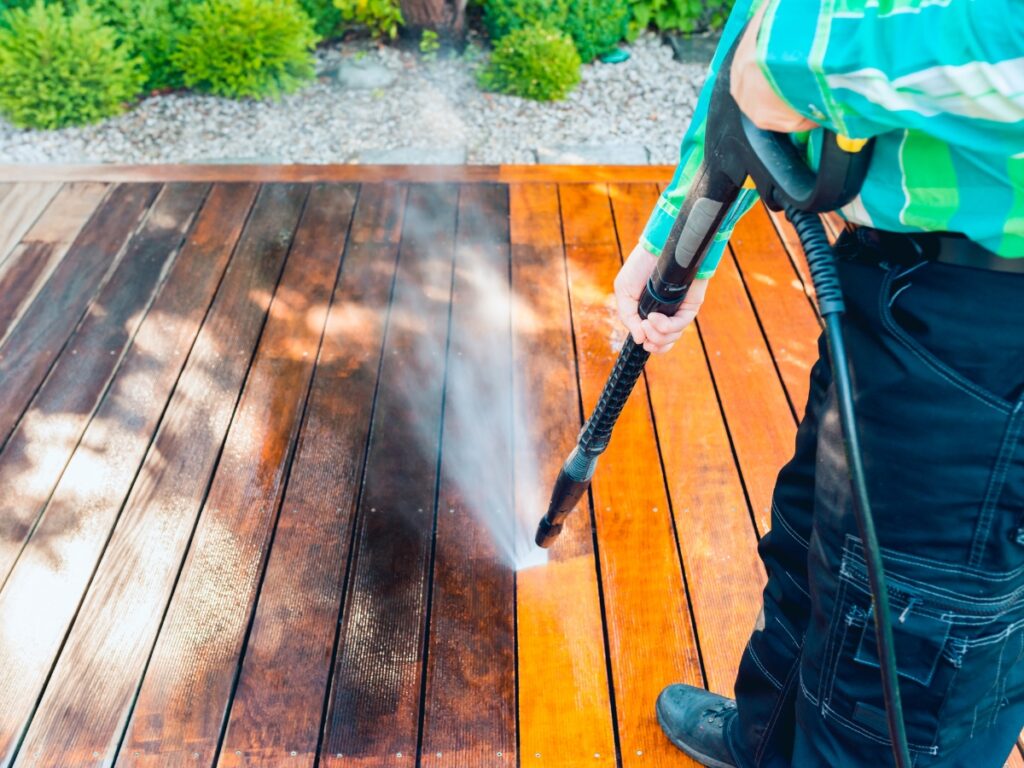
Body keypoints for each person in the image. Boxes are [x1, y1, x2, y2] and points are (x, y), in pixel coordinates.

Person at [614, 1, 1024, 765]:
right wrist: (681, 237)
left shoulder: (806, 53)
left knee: (904, 649)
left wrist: (798, 57)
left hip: (994, 328)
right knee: (815, 552)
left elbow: (777, 47)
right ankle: (766, 742)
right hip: (894, 282)